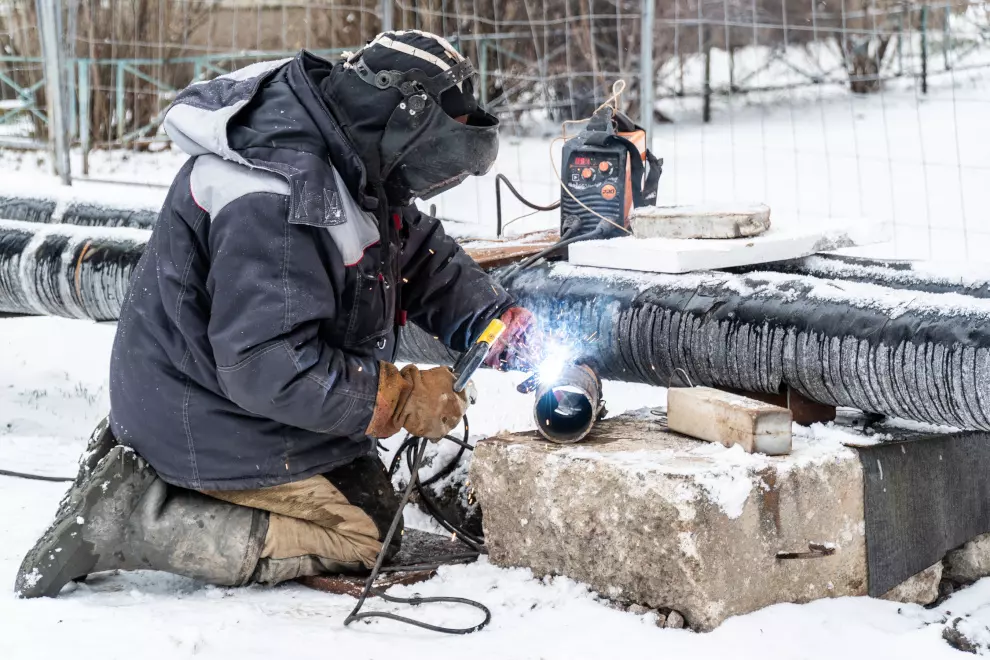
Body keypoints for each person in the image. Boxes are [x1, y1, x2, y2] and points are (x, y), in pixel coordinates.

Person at [15, 30, 540, 598]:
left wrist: (491, 316)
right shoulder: (276, 197)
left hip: (223, 400)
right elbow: (268, 364)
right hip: (209, 413)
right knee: (368, 538)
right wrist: (398, 397)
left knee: (369, 496)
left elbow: (414, 252)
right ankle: (138, 518)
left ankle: (148, 471)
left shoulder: (344, 147)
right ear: (399, 119)